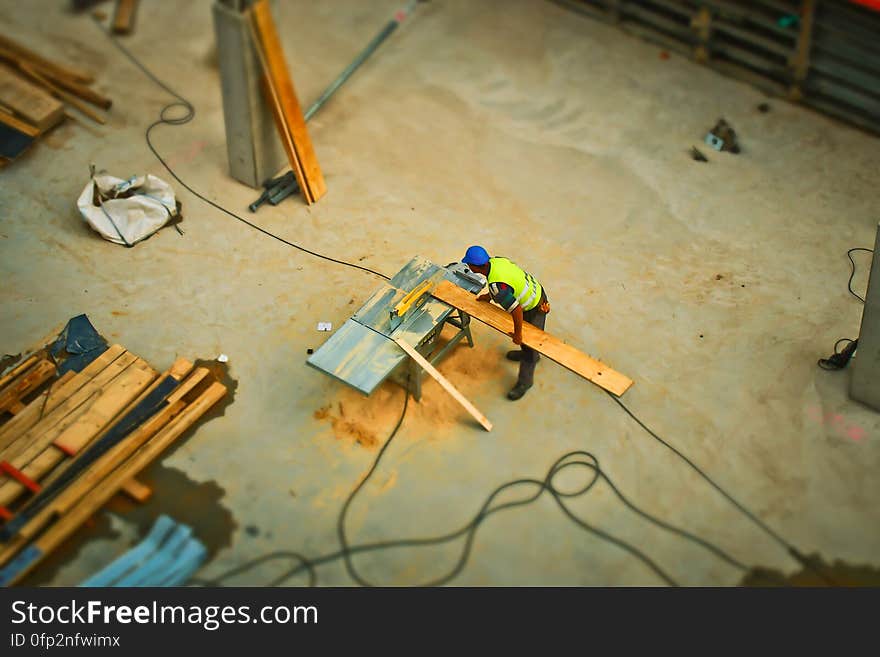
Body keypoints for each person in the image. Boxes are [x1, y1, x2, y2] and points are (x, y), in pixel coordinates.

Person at [460, 245, 550, 400]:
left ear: (475, 267)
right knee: (528, 345)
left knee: (529, 346)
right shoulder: (496, 261)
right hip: (537, 291)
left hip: (534, 307)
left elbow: (516, 311)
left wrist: (518, 334)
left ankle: (525, 381)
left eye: (468, 264)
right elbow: (507, 282)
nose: (467, 266)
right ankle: (530, 354)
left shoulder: (498, 288)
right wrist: (489, 297)